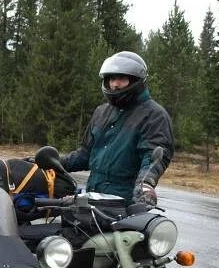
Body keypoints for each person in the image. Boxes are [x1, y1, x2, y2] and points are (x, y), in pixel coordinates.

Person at [62, 51, 174, 206]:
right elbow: (85, 154)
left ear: (136, 80)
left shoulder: (154, 115)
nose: (115, 84)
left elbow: (153, 157)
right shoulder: (101, 112)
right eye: (112, 79)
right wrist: (54, 162)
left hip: (124, 204)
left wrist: (146, 184)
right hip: (92, 199)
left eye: (122, 78)